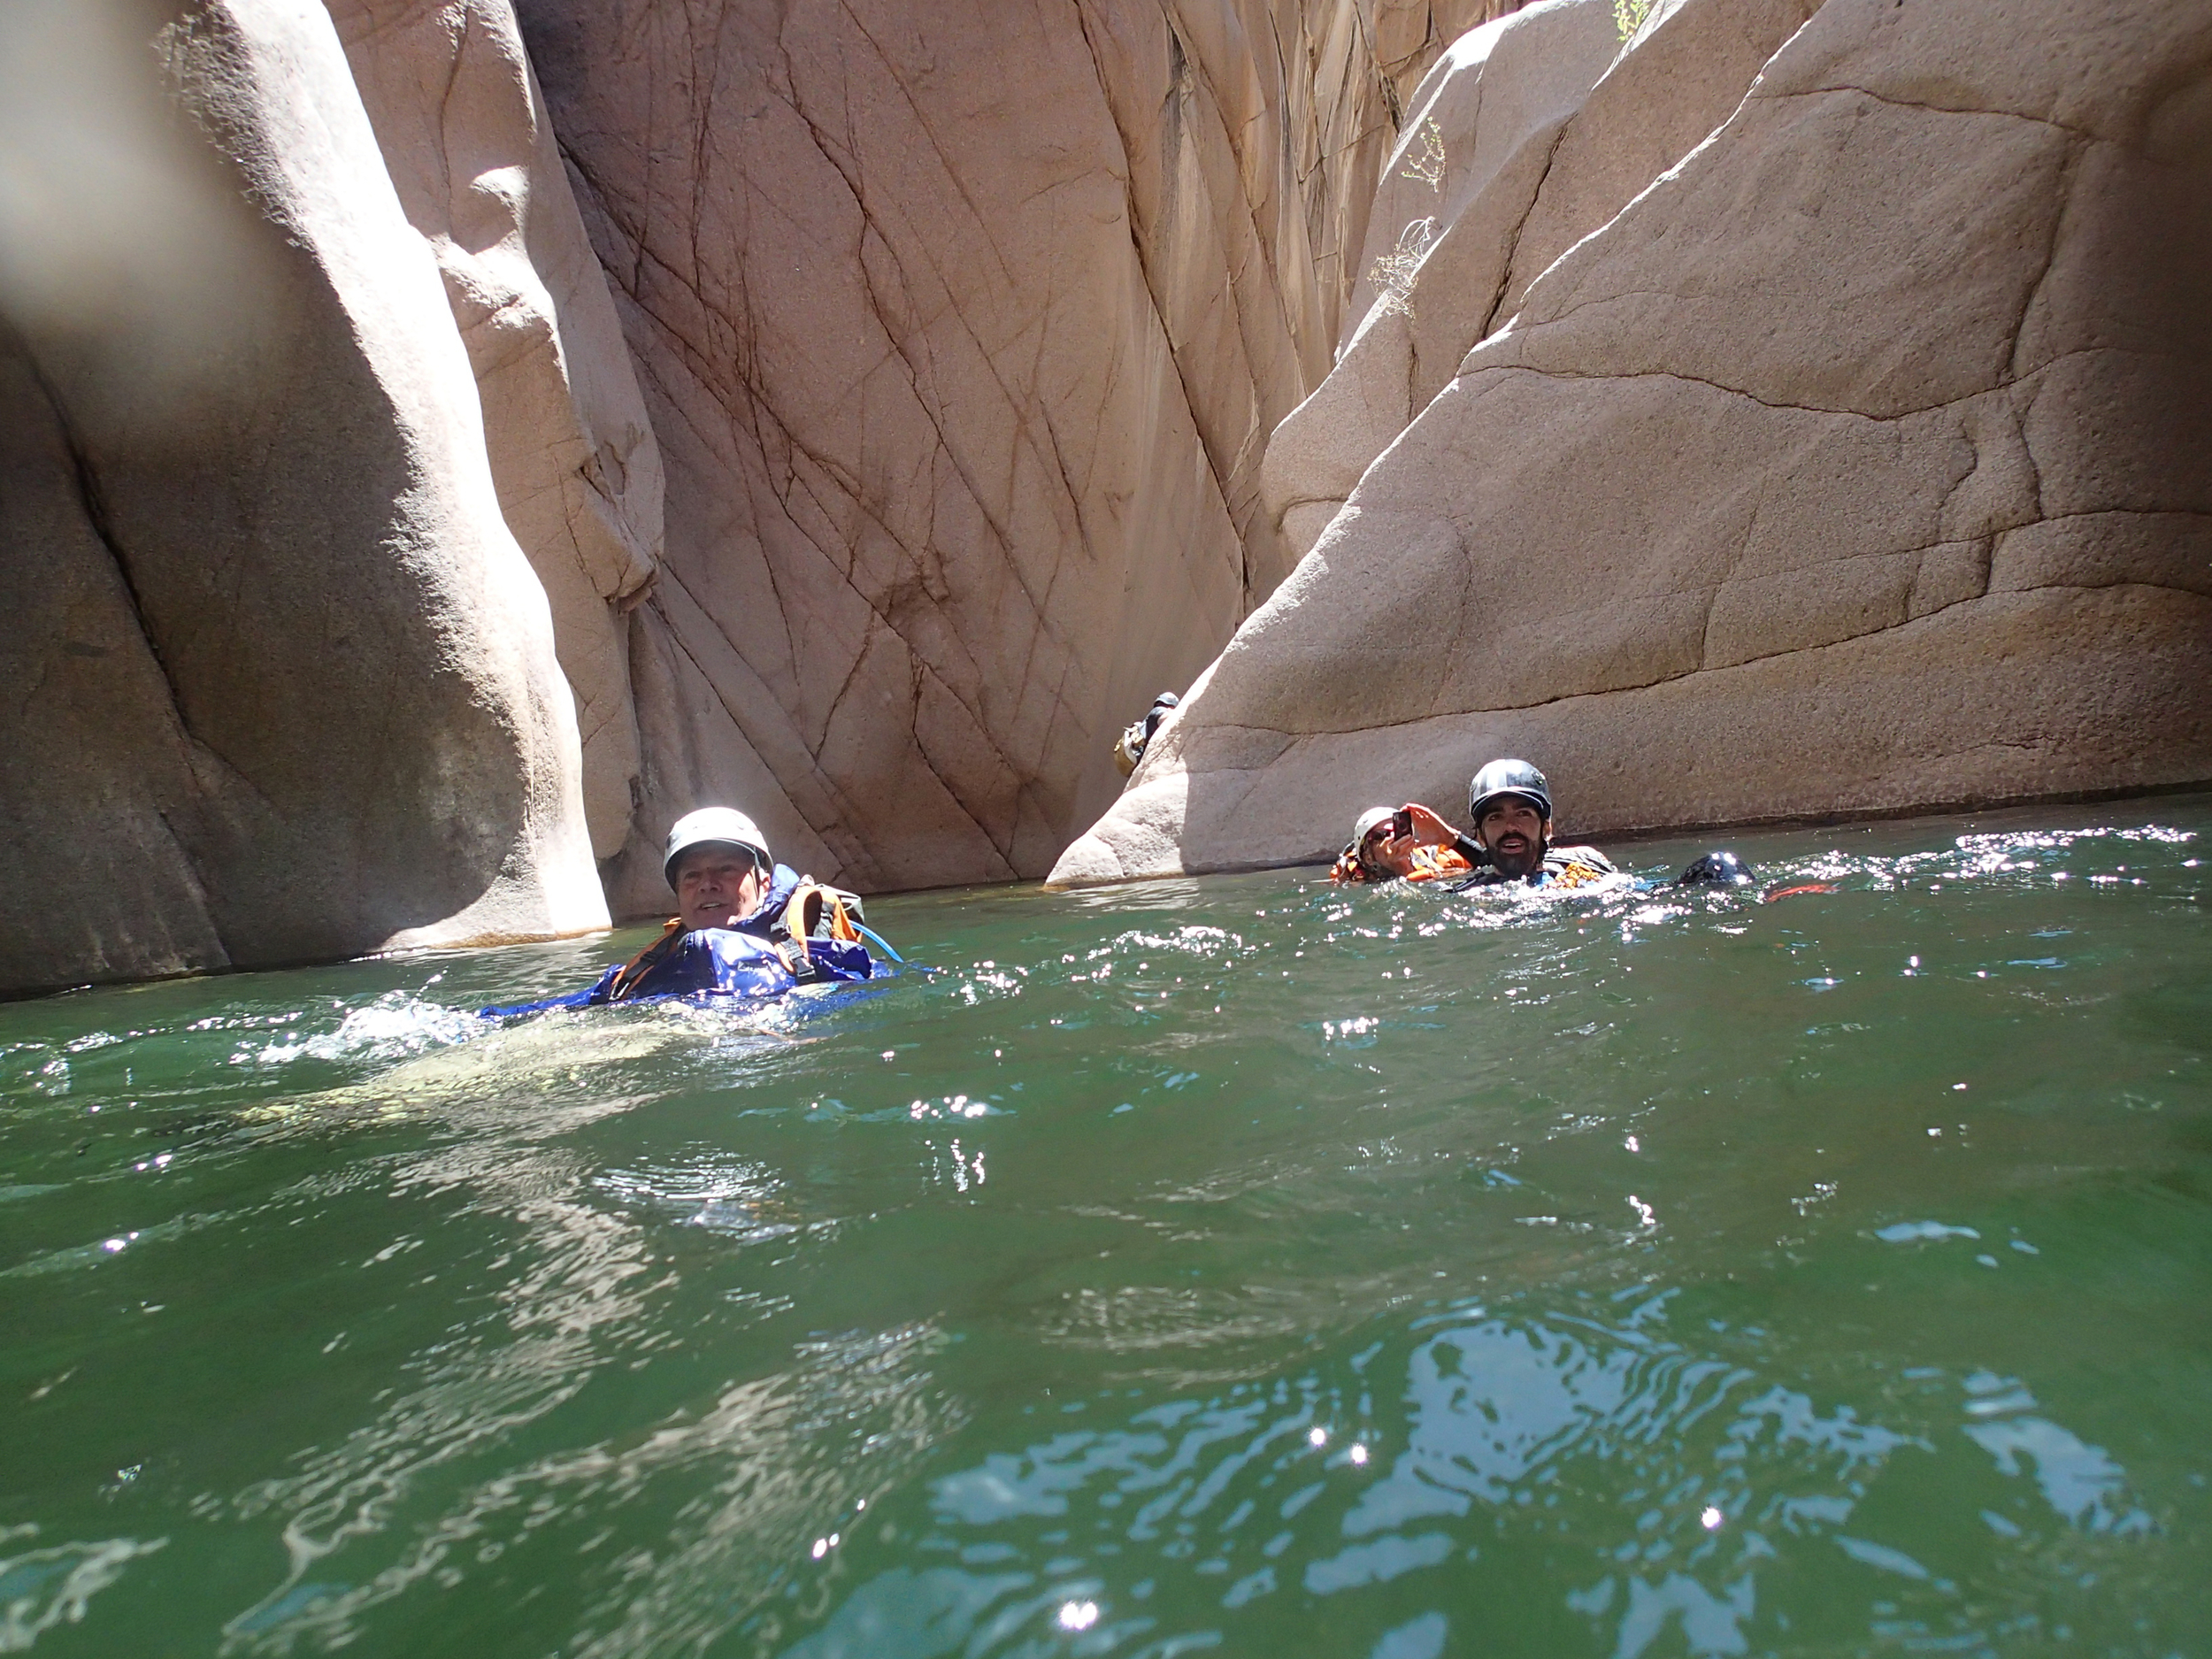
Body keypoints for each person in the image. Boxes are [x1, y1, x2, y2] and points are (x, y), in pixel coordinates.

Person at [485, 809, 877, 1015]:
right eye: (692, 876)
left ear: (764, 881)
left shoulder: (815, 953)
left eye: (725, 869)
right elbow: (569, 1007)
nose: (708, 884)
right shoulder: (643, 972)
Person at [1393, 759, 1627, 892]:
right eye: (1495, 818)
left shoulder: (1585, 863)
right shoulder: (1466, 895)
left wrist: (1451, 838)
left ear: (1547, 828)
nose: (1510, 826)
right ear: (1481, 836)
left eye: (1523, 814)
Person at [1330, 806, 1476, 884]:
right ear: (1368, 857)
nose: (1393, 837)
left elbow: (1489, 866)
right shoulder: (1358, 883)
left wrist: (1451, 838)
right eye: (1381, 835)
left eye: (1398, 830)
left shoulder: (1441, 860)